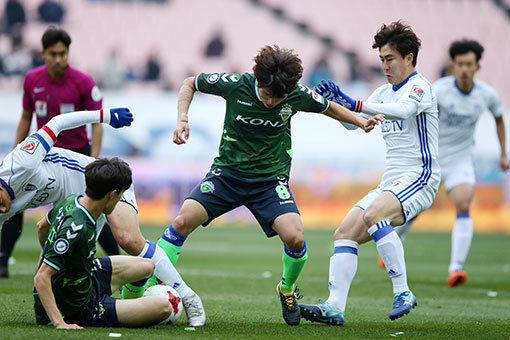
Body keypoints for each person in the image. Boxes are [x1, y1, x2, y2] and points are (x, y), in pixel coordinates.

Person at [151, 44, 383, 326]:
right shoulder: (236, 85)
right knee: (181, 221)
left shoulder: (296, 95)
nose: (272, 102)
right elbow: (190, 83)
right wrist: (183, 119)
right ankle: (142, 287)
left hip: (269, 182)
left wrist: (361, 123)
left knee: (296, 238)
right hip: (227, 175)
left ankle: (285, 290)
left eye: (278, 97)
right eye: (267, 94)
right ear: (258, 80)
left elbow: (328, 108)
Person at [0, 108, 206, 326]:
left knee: (129, 239)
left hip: (96, 180)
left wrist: (105, 116)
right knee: (68, 264)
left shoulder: (20, 161)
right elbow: (43, 226)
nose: (2, 211)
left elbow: (58, 122)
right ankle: (103, 305)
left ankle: (187, 296)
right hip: (71, 201)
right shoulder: (2, 210)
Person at [299, 21, 440, 325]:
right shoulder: (383, 93)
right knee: (345, 233)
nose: (385, 66)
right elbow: (353, 124)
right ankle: (335, 306)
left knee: (374, 214)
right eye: (381, 60)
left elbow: (403, 111)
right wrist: (334, 107)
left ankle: (403, 291)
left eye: (390, 59)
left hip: (421, 176)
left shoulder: (420, 87)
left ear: (409, 58)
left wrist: (355, 102)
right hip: (393, 181)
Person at [0, 26, 116, 277]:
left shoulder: (83, 82)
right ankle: (2, 261)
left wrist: (94, 160)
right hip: (43, 158)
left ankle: (115, 256)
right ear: (43, 53)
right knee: (13, 203)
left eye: (63, 53)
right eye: (53, 53)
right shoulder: (32, 79)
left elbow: (96, 124)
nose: (59, 59)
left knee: (92, 208)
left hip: (77, 156)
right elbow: (25, 117)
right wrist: (14, 154)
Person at [392, 39, 509, 287]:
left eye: (469, 64)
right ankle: (397, 238)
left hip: (461, 159)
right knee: (416, 208)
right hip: (432, 158)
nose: (464, 69)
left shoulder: (486, 94)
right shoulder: (438, 90)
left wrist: (503, 153)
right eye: (460, 64)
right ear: (453, 66)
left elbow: (499, 118)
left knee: (463, 203)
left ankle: (456, 269)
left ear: (477, 66)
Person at [34, 157, 177, 328]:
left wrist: (47, 254)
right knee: (164, 307)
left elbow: (42, 226)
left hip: (85, 277)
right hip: (74, 307)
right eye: (121, 195)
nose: (120, 201)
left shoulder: (72, 201)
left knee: (148, 266)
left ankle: (126, 305)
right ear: (112, 194)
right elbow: (41, 277)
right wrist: (59, 323)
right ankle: (113, 307)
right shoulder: (77, 229)